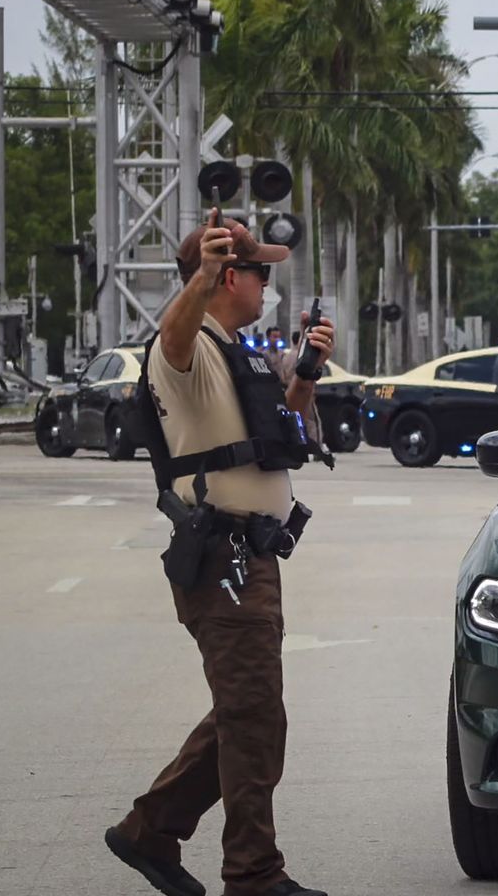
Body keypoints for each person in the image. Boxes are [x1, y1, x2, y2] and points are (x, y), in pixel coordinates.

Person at [104, 210, 333, 896]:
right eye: (258, 271)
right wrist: (199, 278)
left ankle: (149, 831)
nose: (267, 283)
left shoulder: (241, 351)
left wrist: (308, 374)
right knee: (254, 713)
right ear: (229, 275)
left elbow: (283, 435)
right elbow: (168, 337)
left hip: (253, 558)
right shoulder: (186, 347)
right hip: (223, 560)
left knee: (249, 711)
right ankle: (253, 875)